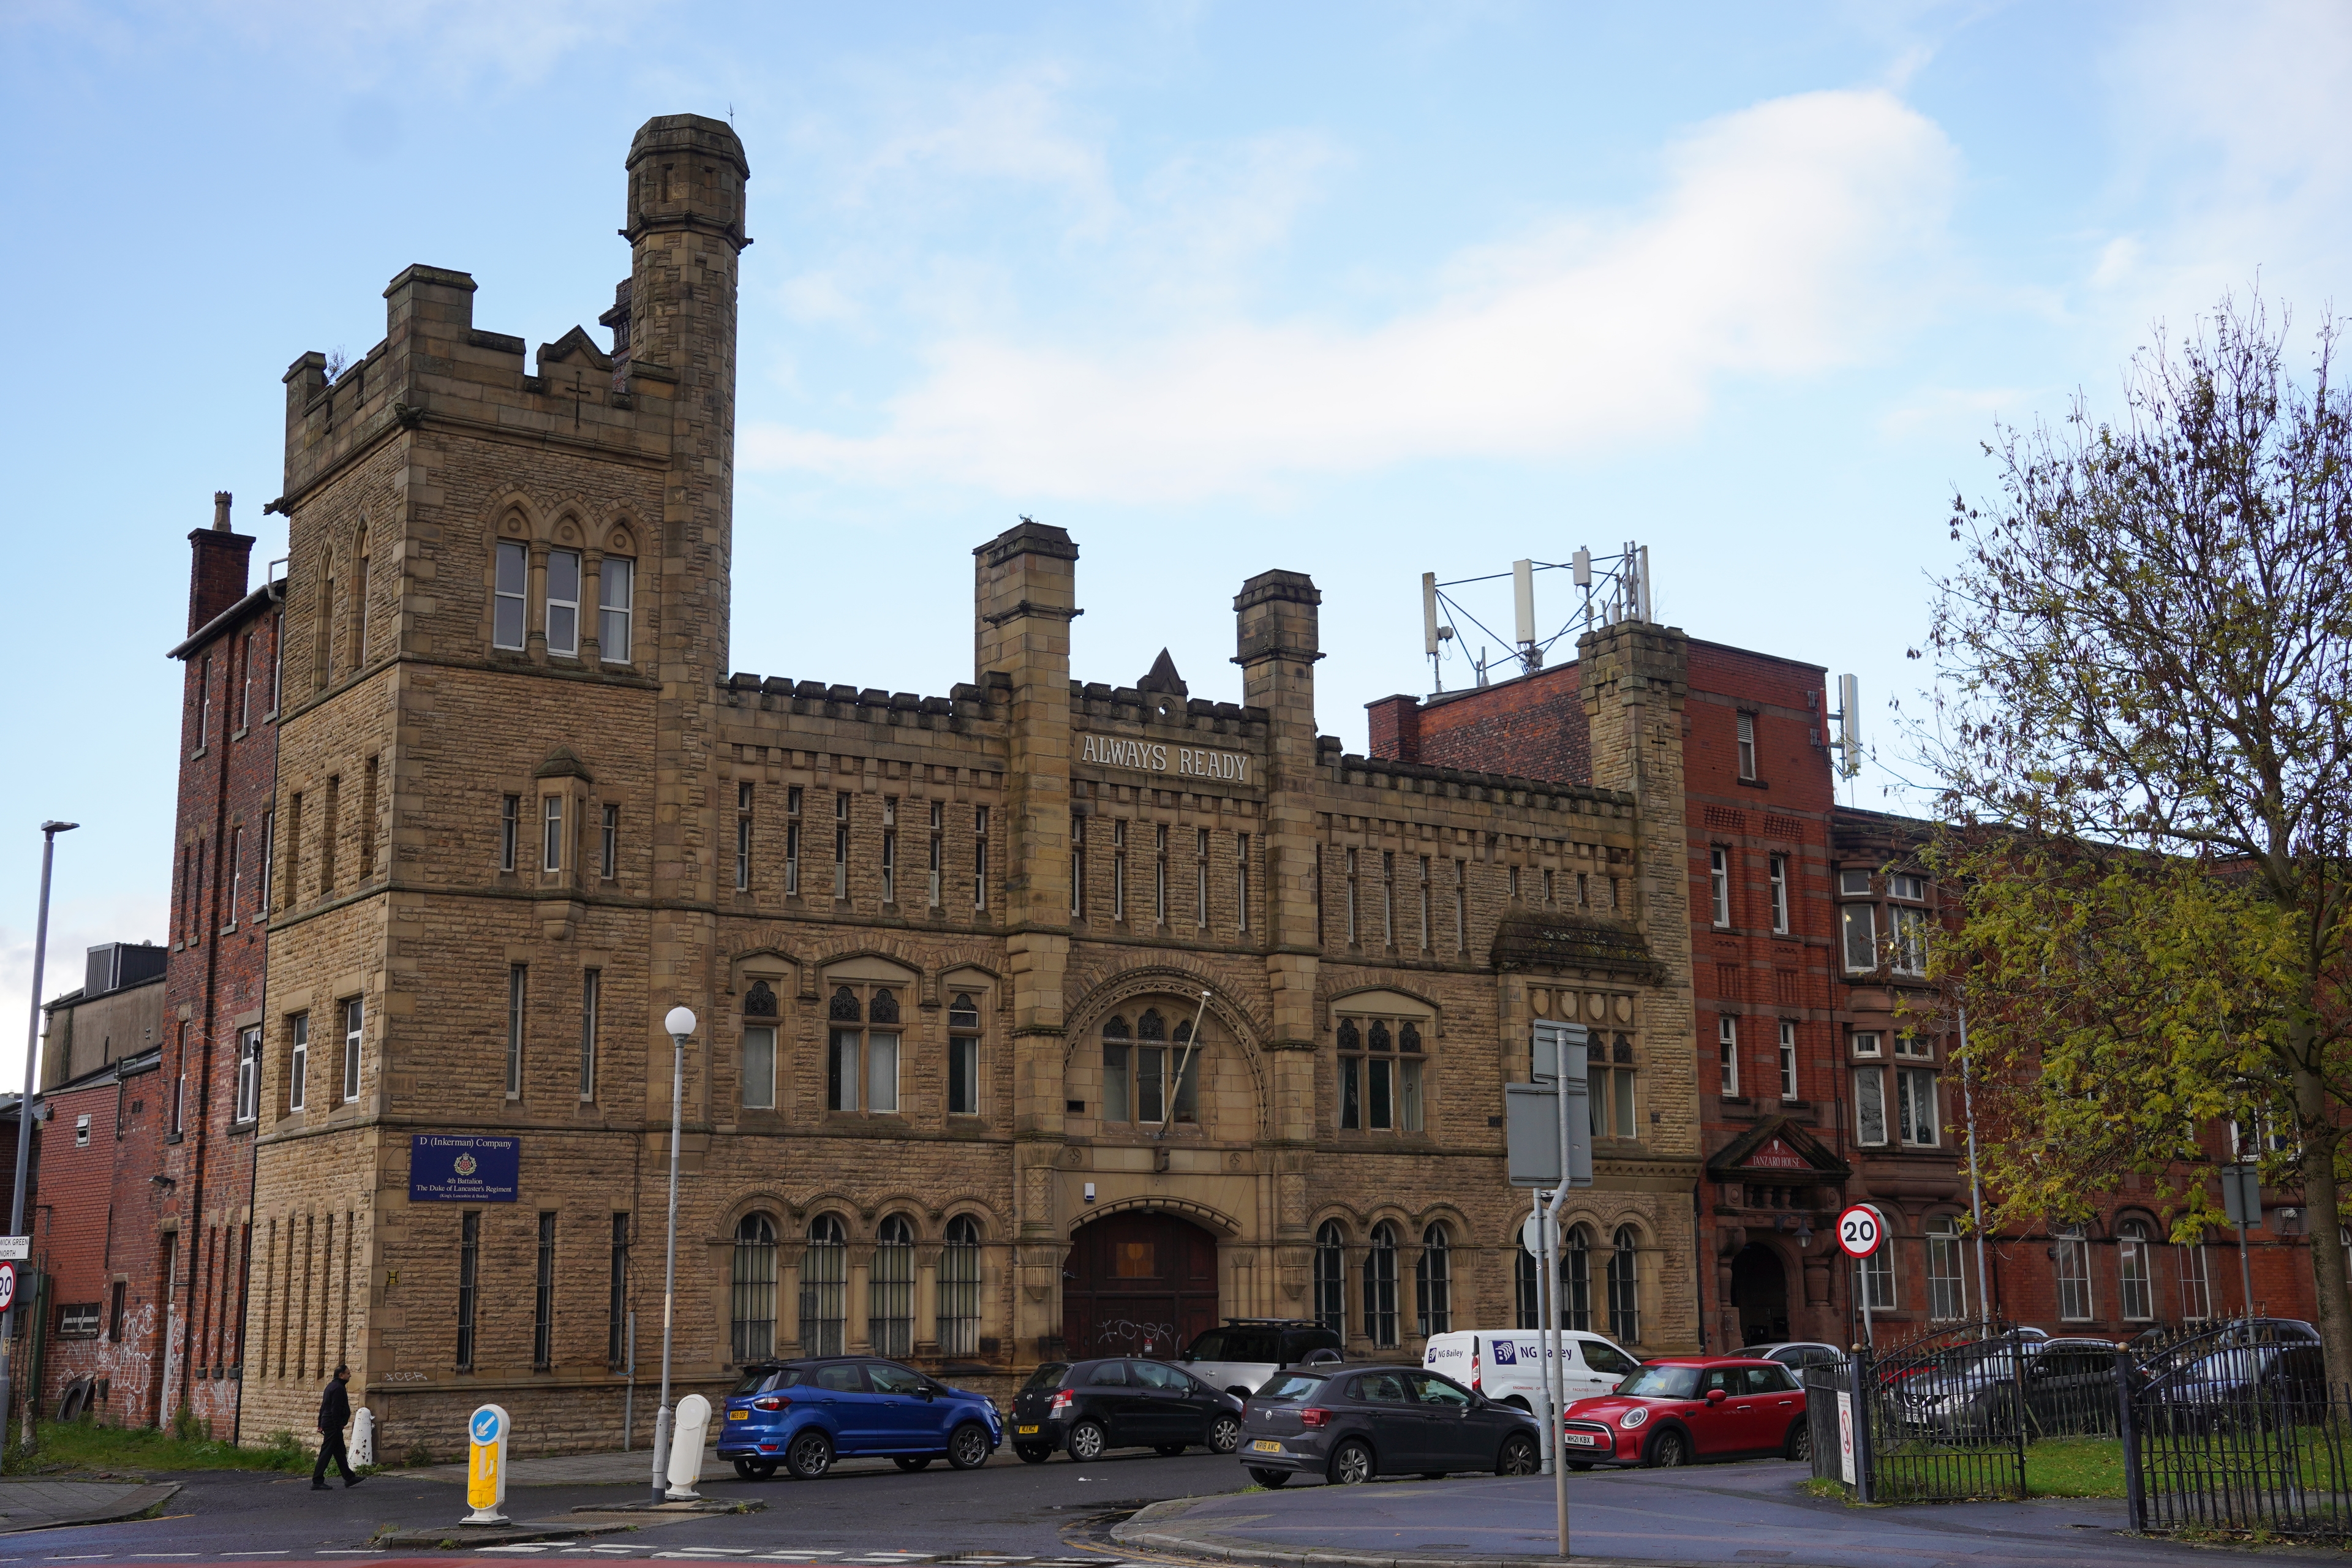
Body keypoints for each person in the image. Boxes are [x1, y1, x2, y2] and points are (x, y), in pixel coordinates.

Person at [313, 1364, 364, 1489]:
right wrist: (338, 1424)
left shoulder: (331, 1386)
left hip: (330, 1423)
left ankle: (349, 1477)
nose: (350, 1375)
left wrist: (320, 1424)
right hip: (333, 1425)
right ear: (341, 1375)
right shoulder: (338, 1389)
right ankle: (317, 1481)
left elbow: (324, 1407)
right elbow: (335, 1409)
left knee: (340, 1452)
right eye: (348, 1373)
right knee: (326, 1452)